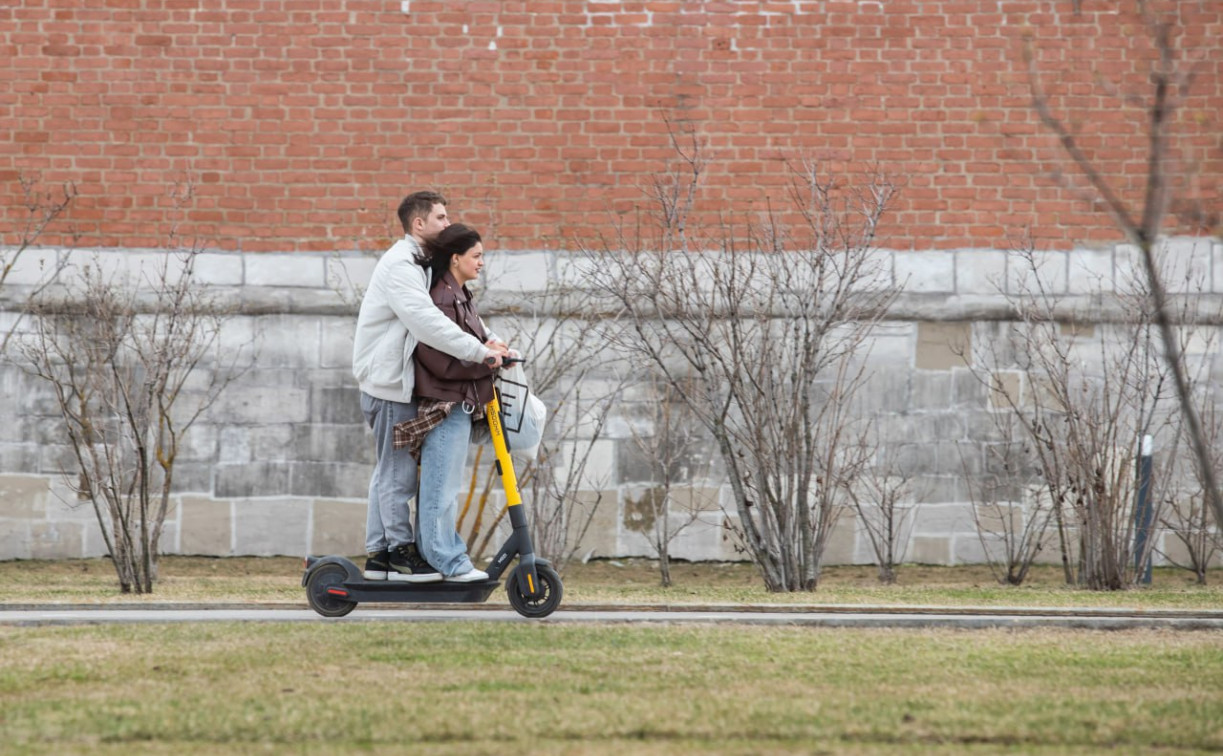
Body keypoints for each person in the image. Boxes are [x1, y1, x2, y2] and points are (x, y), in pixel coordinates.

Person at [352, 192, 507, 582]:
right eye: (441, 217)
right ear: (418, 224)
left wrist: (490, 340)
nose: (447, 222)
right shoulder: (401, 265)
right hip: (388, 382)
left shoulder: (424, 262)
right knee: (397, 475)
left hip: (398, 380)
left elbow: (460, 313)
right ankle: (398, 553)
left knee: (390, 471)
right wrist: (478, 353)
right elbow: (427, 321)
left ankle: (379, 556)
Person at [391, 223, 501, 582]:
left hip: (458, 404)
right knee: (441, 489)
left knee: (443, 487)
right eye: (476, 256)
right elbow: (437, 359)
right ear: (456, 258)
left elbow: (476, 340)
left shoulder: (459, 293)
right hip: (444, 406)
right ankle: (448, 562)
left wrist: (494, 349)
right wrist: (485, 363)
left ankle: (439, 557)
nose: (481, 262)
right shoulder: (442, 296)